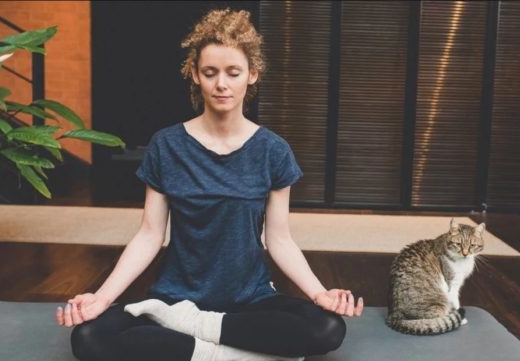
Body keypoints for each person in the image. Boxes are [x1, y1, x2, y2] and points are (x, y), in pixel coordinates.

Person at [56, 8, 364, 361]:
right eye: (210, 72)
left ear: (252, 75)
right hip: (175, 299)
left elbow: (278, 238)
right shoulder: (166, 145)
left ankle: (198, 339)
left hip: (250, 300)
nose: (222, 84)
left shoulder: (273, 151)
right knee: (89, 338)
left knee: (327, 328)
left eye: (234, 72)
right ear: (194, 75)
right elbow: (150, 234)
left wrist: (319, 294)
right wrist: (102, 297)